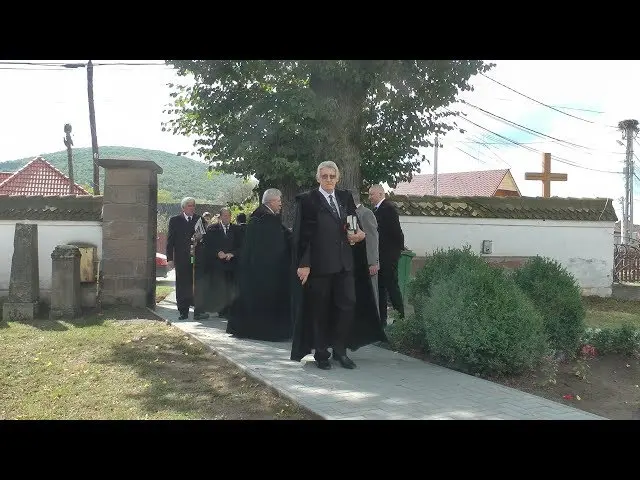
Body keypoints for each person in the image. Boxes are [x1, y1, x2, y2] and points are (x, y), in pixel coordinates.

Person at [290, 161, 387, 370]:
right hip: (319, 266)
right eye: (324, 176)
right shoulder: (308, 200)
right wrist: (304, 263)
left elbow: (353, 225)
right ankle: (322, 353)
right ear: (318, 178)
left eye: (332, 176)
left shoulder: (344, 197)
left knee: (347, 306)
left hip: (345, 264)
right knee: (320, 310)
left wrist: (359, 234)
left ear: (337, 178)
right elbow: (303, 236)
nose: (328, 180)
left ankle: (340, 351)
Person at [226, 188, 293, 341]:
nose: (281, 204)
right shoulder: (266, 219)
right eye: (279, 201)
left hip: (254, 268)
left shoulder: (258, 217)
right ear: (271, 201)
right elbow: (277, 244)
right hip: (267, 270)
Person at [166, 197, 208, 320]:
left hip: (197, 258)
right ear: (183, 207)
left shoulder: (199, 219)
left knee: (197, 284)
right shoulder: (175, 220)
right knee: (182, 284)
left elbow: (205, 238)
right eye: (189, 205)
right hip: (182, 259)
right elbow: (170, 241)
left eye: (193, 205)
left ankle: (198, 311)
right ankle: (183, 311)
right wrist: (170, 259)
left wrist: (201, 237)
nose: (192, 208)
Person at [368, 184, 406, 324]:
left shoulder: (388, 209)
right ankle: (382, 319)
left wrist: (396, 251)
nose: (370, 197)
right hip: (382, 255)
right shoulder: (378, 210)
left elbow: (396, 232)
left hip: (388, 256)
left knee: (391, 286)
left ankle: (400, 318)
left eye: (372, 194)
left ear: (380, 194)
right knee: (381, 287)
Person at [203, 207, 242, 317]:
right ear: (220, 217)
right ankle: (221, 310)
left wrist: (232, 254)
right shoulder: (212, 229)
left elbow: (241, 246)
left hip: (232, 264)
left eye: (229, 216)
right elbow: (207, 246)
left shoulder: (237, 229)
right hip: (217, 264)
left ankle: (230, 309)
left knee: (231, 287)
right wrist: (217, 252)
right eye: (225, 216)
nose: (227, 218)